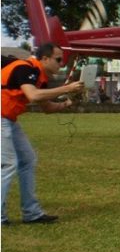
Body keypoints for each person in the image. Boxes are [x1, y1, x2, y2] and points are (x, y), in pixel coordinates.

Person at [2, 43, 84, 225]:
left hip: (8, 119)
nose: (61, 63)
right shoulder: (25, 68)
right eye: (58, 59)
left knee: (28, 160)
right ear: (44, 59)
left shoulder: (40, 77)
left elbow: (46, 107)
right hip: (2, 118)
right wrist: (66, 88)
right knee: (8, 164)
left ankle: (31, 213)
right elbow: (33, 96)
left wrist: (68, 103)